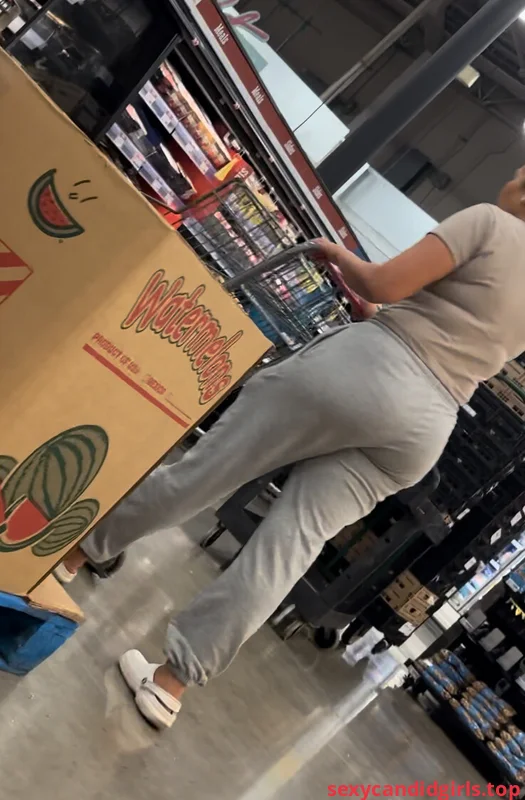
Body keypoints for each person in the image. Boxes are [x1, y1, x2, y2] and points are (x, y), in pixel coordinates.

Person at [56, 169, 525, 730]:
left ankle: (72, 555)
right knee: (289, 544)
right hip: (425, 427)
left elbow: (384, 284)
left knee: (212, 469)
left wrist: (338, 255)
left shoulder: (490, 223)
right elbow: (453, 336)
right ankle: (171, 683)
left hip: (366, 371)